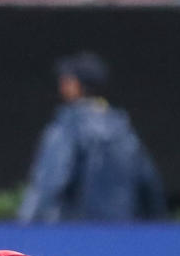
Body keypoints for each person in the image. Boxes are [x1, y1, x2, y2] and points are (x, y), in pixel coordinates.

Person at [17, 52, 165, 223]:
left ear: (76, 84)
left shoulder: (68, 127)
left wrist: (26, 226)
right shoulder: (123, 128)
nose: (62, 86)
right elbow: (149, 184)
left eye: (66, 80)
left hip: (74, 234)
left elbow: (50, 182)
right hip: (120, 235)